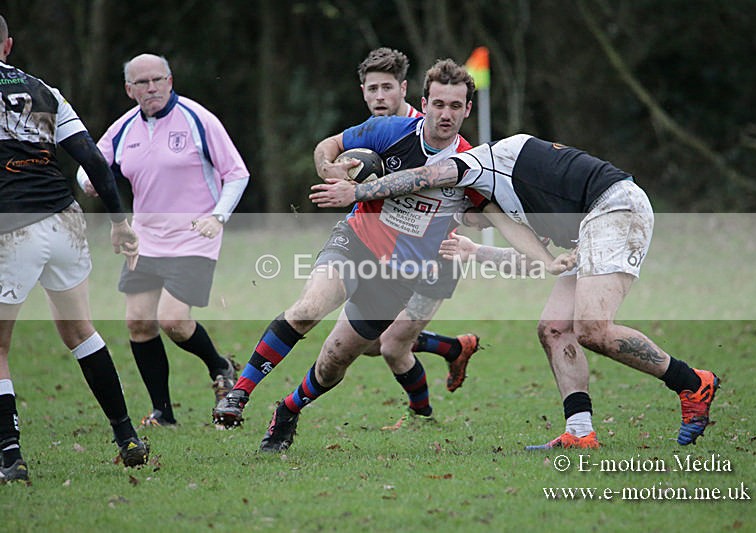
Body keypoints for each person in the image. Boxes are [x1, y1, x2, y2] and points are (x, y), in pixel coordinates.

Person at [309, 133, 721, 448]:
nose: (464, 219)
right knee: (554, 328)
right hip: (591, 227)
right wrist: (474, 250)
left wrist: (357, 191)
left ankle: (692, 381)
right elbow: (539, 261)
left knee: (593, 329)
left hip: (613, 207)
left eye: (460, 213)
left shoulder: (479, 162)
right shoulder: (513, 206)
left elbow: (424, 175)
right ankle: (580, 432)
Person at [214, 59, 477, 450]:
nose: (445, 114)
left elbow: (487, 212)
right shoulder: (389, 130)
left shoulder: (472, 162)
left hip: (400, 274)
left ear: (467, 110)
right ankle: (239, 392)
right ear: (424, 102)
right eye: (438, 104)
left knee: (335, 359)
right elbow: (329, 146)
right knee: (309, 307)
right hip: (356, 241)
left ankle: (287, 409)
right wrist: (330, 168)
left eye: (455, 106)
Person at [0, 16, 148, 483]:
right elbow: (93, 160)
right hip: (64, 220)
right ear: (7, 44)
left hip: (13, 228)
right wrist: (121, 221)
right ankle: (127, 435)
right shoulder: (44, 91)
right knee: (80, 330)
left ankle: (10, 458)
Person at [78, 53, 249, 427]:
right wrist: (86, 181)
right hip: (145, 239)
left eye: (158, 79)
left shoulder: (198, 119)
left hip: (194, 236)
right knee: (139, 323)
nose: (151, 88)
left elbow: (237, 173)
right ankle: (163, 413)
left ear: (170, 80)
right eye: (142, 82)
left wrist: (217, 216)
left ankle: (219, 365)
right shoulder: (123, 128)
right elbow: (86, 162)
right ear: (129, 89)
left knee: (173, 320)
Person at [357, 47, 480, 393]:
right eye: (372, 89)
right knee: (368, 342)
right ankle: (453, 347)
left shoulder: (424, 128)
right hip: (393, 250)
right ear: (363, 92)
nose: (380, 97)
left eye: (387, 88)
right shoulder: (375, 134)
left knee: (391, 345)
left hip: (435, 259)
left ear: (404, 90)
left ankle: (421, 413)